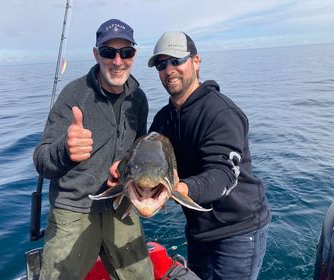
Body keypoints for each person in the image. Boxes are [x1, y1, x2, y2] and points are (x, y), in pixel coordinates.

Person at [33, 19, 153, 280]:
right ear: (97, 54)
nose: (118, 61)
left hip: (120, 203)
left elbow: (138, 150)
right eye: (109, 52)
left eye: (126, 52)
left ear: (134, 55)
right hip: (74, 210)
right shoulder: (74, 95)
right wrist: (65, 150)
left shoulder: (139, 99)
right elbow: (42, 160)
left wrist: (124, 171)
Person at [147, 31, 271, 280]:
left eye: (176, 60)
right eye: (162, 64)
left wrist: (180, 188)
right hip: (198, 232)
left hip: (237, 232)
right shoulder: (163, 121)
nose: (169, 69)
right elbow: (149, 159)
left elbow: (223, 174)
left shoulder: (221, 113)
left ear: (195, 61)